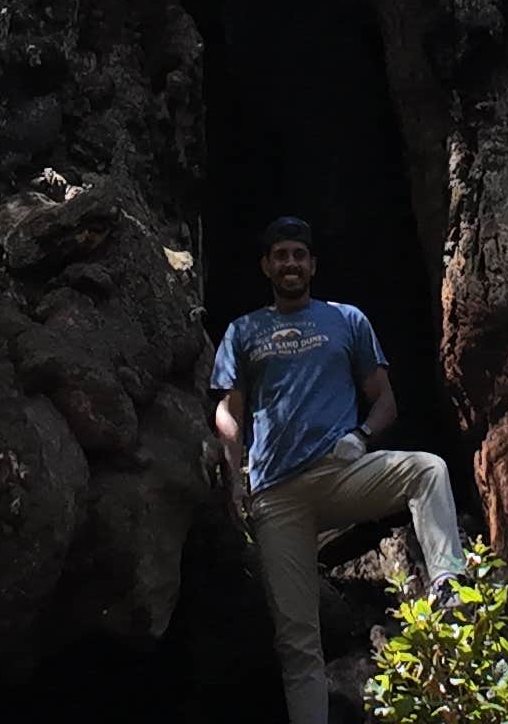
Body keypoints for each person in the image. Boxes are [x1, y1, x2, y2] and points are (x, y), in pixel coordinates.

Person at [211, 214, 465, 724]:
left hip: (340, 473)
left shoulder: (346, 320)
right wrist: (234, 481)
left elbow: (385, 400)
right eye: (280, 255)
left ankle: (447, 584)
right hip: (276, 496)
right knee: (296, 640)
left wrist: (361, 437)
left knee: (428, 469)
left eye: (299, 255)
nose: (290, 263)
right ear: (266, 265)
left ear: (312, 265)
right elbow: (229, 411)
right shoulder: (244, 330)